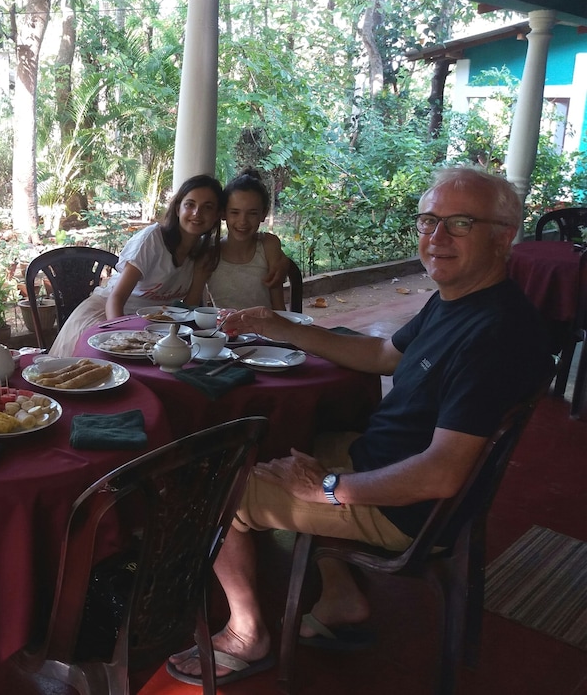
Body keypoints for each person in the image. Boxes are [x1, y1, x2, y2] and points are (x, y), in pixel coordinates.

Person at [166, 166, 553, 685]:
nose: (436, 238)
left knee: (217, 484)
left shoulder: (494, 338)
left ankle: (247, 632)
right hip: (386, 458)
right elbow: (380, 353)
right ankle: (343, 597)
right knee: (308, 439)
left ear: (504, 237)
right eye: (428, 221)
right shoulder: (461, 300)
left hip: (409, 507)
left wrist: (329, 487)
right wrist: (274, 325)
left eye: (460, 223)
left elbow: (440, 475)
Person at [48, 174, 226, 357]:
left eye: (208, 207)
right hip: (107, 316)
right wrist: (122, 338)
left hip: (151, 327)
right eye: (190, 204)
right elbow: (116, 298)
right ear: (178, 208)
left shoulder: (204, 251)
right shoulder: (152, 240)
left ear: (218, 214)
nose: (197, 213)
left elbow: (185, 310)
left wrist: (199, 276)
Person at [185, 168, 287, 310]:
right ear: (223, 213)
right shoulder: (210, 254)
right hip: (224, 330)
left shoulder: (268, 247)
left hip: (266, 329)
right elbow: (191, 304)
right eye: (235, 212)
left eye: (252, 213)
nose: (243, 221)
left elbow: (279, 307)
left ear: (263, 214)